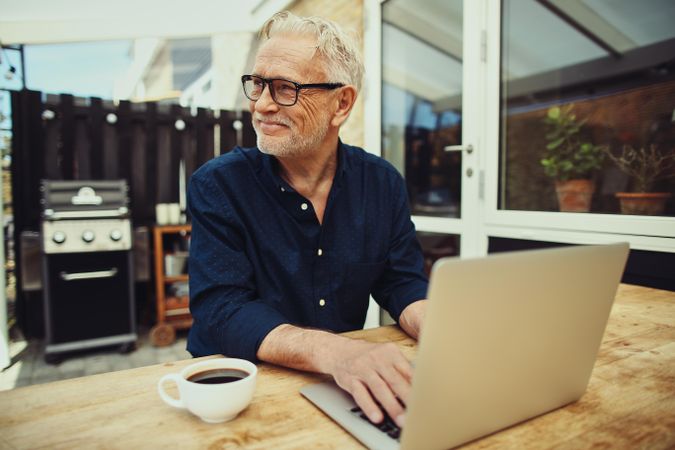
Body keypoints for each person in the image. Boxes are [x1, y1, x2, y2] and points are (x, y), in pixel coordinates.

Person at [187, 11, 428, 428]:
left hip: (343, 385)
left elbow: (401, 280)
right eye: (258, 84)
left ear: (342, 103)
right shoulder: (218, 184)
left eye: (285, 89)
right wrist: (335, 353)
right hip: (235, 391)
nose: (261, 105)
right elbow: (222, 308)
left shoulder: (382, 183)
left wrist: (439, 327)